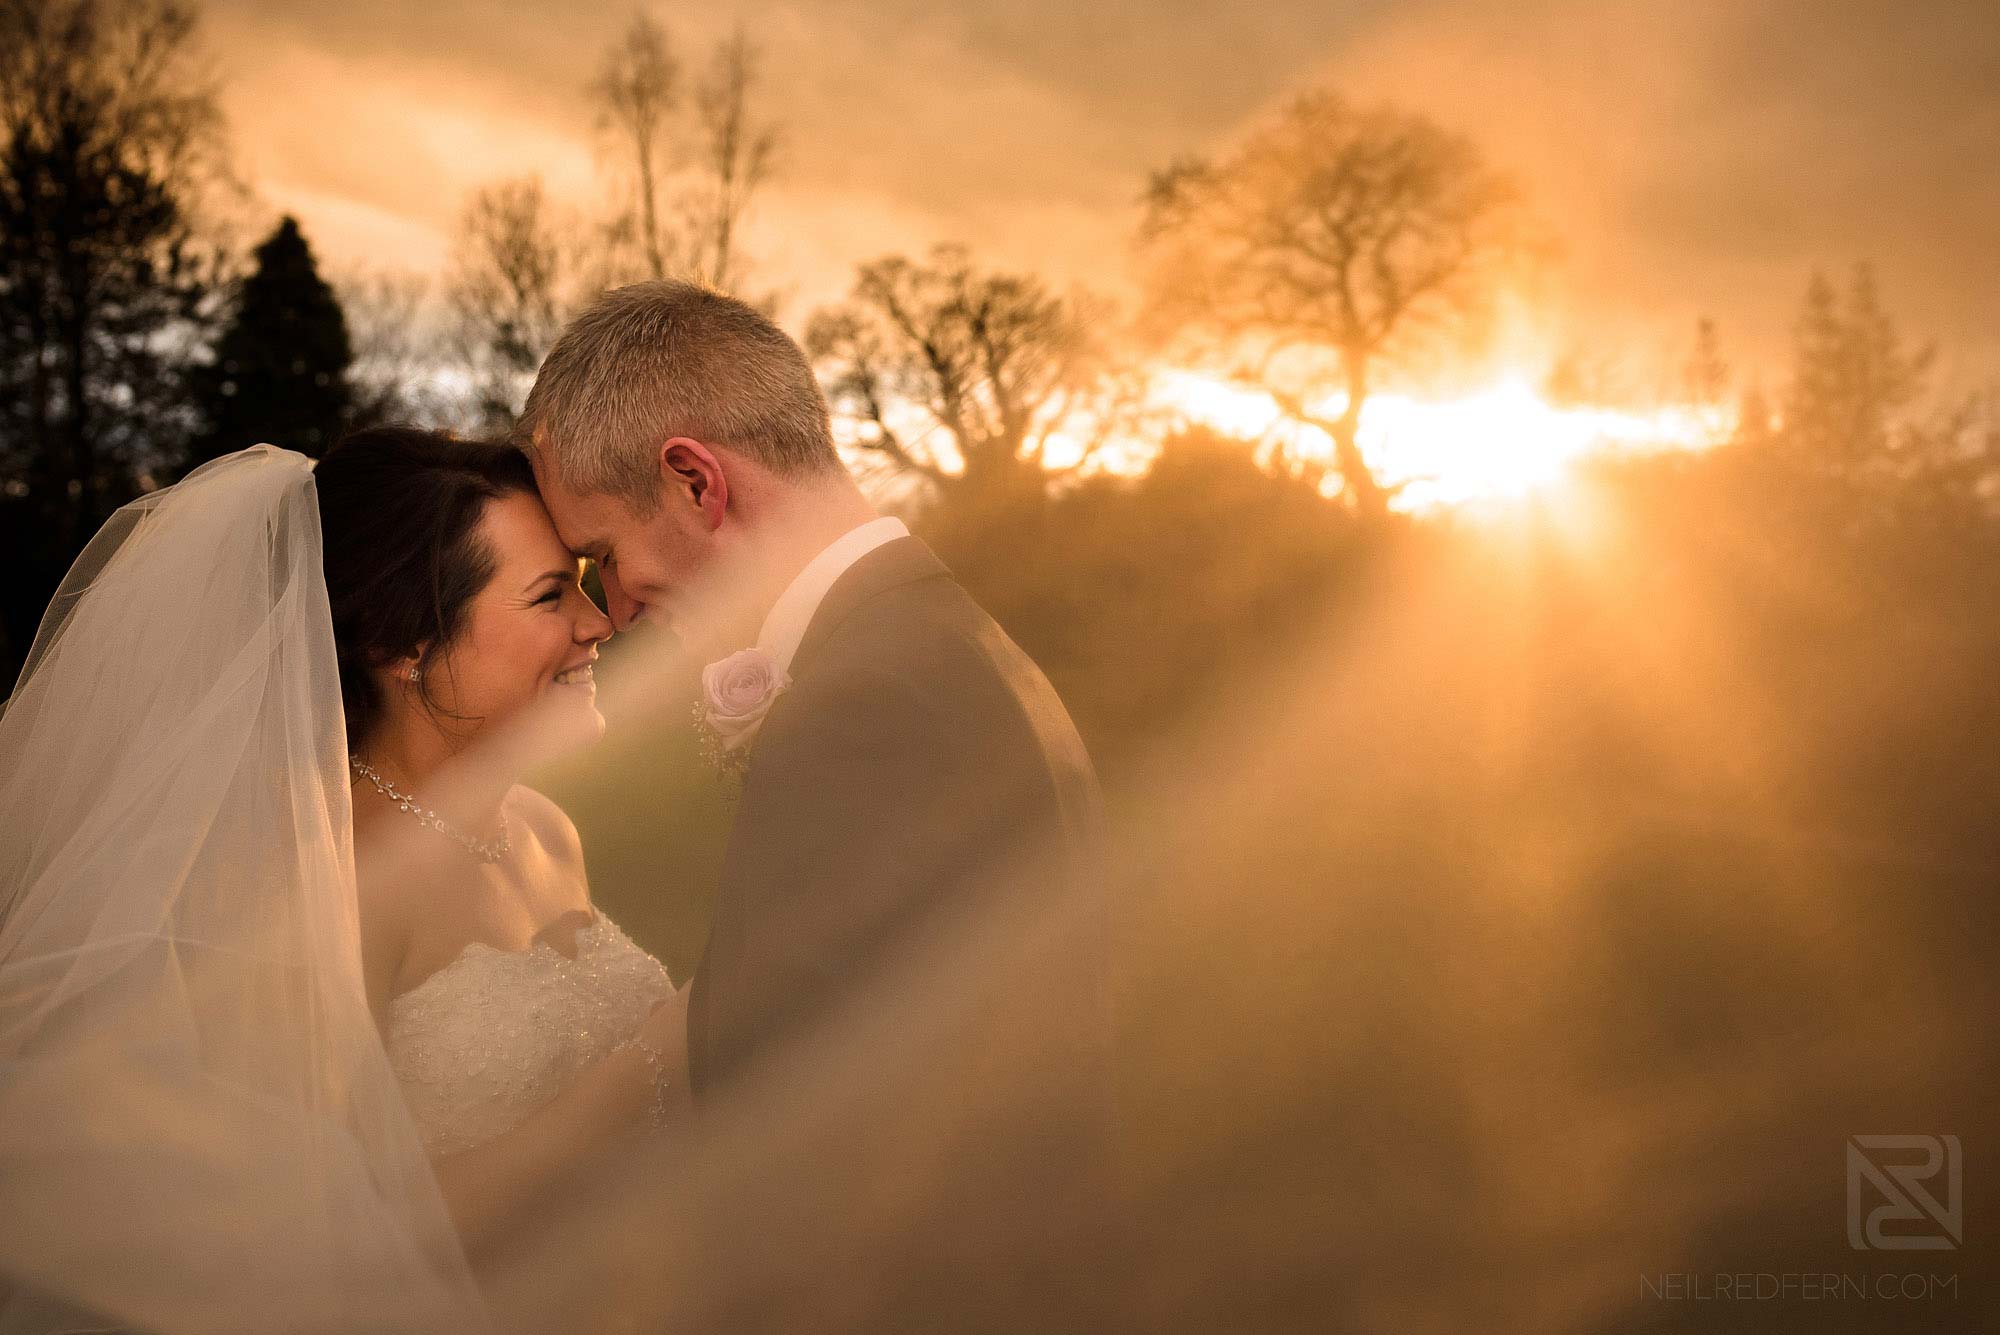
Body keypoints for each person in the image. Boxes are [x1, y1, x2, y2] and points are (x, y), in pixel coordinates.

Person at [519, 281, 1120, 1330]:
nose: (613, 609)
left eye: (603, 556)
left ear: (696, 480)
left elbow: (800, 1133)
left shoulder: (873, 700)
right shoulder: (928, 637)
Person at [0, 431, 685, 1333]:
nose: (598, 624)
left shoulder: (544, 829)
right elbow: (330, 1240)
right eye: (550, 595)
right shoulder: (315, 884)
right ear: (403, 643)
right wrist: (648, 1065)